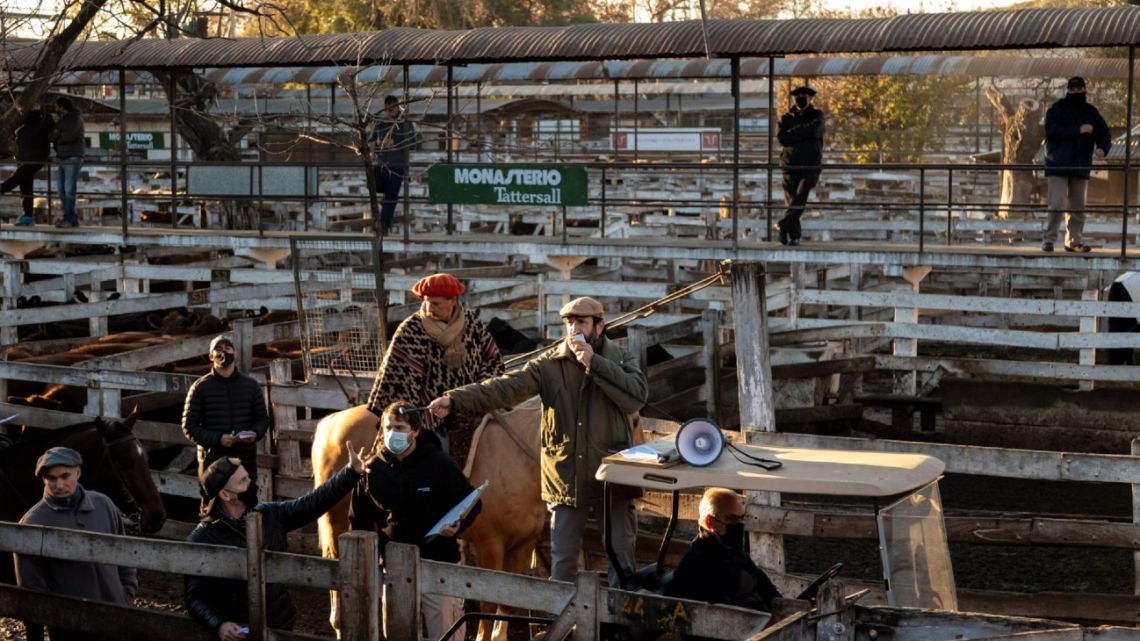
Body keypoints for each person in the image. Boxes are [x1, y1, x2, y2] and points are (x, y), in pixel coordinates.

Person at [428, 296, 647, 586]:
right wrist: (455, 399)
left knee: (621, 555)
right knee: (563, 559)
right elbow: (507, 388)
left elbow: (636, 396)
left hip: (612, 477)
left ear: (600, 326)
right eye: (569, 323)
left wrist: (595, 363)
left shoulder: (621, 360)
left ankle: (620, 626)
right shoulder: (551, 364)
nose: (573, 330)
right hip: (567, 476)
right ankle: (561, 622)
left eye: (581, 322)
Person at [185, 444, 372, 641]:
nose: (251, 483)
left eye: (248, 477)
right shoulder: (202, 538)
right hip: (239, 632)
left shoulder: (269, 514)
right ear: (225, 495)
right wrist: (219, 624)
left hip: (280, 622)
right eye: (243, 481)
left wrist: (350, 473)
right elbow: (195, 598)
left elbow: (313, 503)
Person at [349, 400, 482, 641]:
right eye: (387, 427)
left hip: (438, 562)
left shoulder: (439, 464)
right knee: (398, 633)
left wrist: (458, 524)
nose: (392, 433)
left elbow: (472, 501)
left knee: (446, 632)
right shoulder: (372, 469)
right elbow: (359, 519)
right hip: (394, 566)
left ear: (416, 431)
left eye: (399, 427)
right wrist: (372, 562)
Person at [365, 272, 503, 457]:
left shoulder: (472, 324)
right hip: (426, 414)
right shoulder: (411, 330)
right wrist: (418, 415)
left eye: (436, 303)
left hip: (470, 405)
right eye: (427, 301)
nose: (429, 307)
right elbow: (398, 380)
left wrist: (473, 394)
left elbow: (492, 361)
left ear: (453, 300)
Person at [15, 447, 138, 641]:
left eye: (65, 476)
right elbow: (32, 585)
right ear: (44, 479)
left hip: (117, 616)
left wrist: (126, 595)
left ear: (78, 472)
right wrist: (59, 618)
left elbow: (125, 555)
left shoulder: (104, 505)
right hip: (70, 627)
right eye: (51, 478)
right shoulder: (33, 521)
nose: (59, 484)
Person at [181, 333, 270, 512]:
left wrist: (254, 433)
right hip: (214, 461)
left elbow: (263, 419)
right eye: (219, 349)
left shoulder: (250, 386)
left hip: (245, 459)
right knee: (213, 508)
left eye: (227, 348)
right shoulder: (200, 387)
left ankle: (249, 539)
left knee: (247, 505)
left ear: (235, 353)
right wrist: (218, 438)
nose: (224, 353)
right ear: (211, 356)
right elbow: (188, 426)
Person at [666, 488, 781, 614]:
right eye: (730, 518)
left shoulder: (733, 551)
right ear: (710, 522)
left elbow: (763, 584)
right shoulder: (699, 564)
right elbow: (725, 613)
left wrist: (782, 607)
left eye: (740, 518)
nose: (737, 524)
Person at [1042, 76, 1111, 253]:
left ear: (1084, 90)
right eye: (1074, 90)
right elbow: (1051, 131)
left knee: (1078, 207)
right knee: (1057, 204)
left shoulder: (1091, 112)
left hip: (1080, 164)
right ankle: (1049, 239)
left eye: (1080, 90)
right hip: (1058, 164)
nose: (1077, 93)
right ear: (1069, 91)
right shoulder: (1057, 109)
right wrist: (1077, 130)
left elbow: (1104, 133)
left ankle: (1074, 241)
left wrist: (1103, 148)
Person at [775, 85, 825, 246]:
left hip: (810, 165)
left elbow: (816, 131)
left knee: (800, 196)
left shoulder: (817, 115)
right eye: (798, 95)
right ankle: (794, 236)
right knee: (792, 201)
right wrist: (804, 132)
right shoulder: (786, 117)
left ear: (810, 98)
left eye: (804, 95)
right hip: (789, 165)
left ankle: (783, 226)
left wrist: (793, 134)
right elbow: (782, 138)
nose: (801, 98)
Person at [370, 94, 417, 235]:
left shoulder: (406, 123)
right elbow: (370, 142)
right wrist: (379, 143)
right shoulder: (380, 123)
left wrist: (397, 144)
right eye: (387, 110)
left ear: (398, 107)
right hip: (381, 162)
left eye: (392, 109)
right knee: (374, 186)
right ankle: (384, 204)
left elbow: (414, 143)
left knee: (392, 195)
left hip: (397, 164)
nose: (390, 112)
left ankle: (384, 224)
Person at [1, 107, 55, 227]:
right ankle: (28, 216)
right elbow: (52, 130)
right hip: (34, 158)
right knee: (25, 185)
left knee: (19, 179)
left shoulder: (24, 125)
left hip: (30, 159)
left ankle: (3, 188)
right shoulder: (41, 122)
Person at [50, 96, 85, 228]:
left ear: (62, 106)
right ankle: (70, 217)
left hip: (73, 156)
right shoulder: (63, 119)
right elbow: (51, 136)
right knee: (61, 190)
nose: (55, 108)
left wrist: (58, 134)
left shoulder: (75, 118)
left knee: (69, 189)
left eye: (57, 106)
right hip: (63, 157)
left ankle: (69, 218)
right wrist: (58, 134)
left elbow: (68, 136)